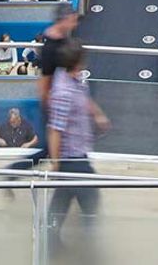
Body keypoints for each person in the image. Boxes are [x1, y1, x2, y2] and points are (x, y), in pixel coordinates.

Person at [41, 39, 108, 252]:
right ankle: (90, 249)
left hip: (78, 154)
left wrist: (96, 113)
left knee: (62, 200)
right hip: (72, 158)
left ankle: (49, 243)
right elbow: (54, 129)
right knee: (91, 198)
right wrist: (56, 163)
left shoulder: (74, 80)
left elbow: (83, 97)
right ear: (77, 63)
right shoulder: (63, 93)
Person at [8, 6, 82, 176]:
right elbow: (44, 81)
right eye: (72, 20)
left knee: (54, 147)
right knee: (50, 148)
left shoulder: (63, 38)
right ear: (63, 20)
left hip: (61, 99)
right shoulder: (51, 47)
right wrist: (48, 107)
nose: (74, 24)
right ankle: (14, 171)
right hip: (54, 102)